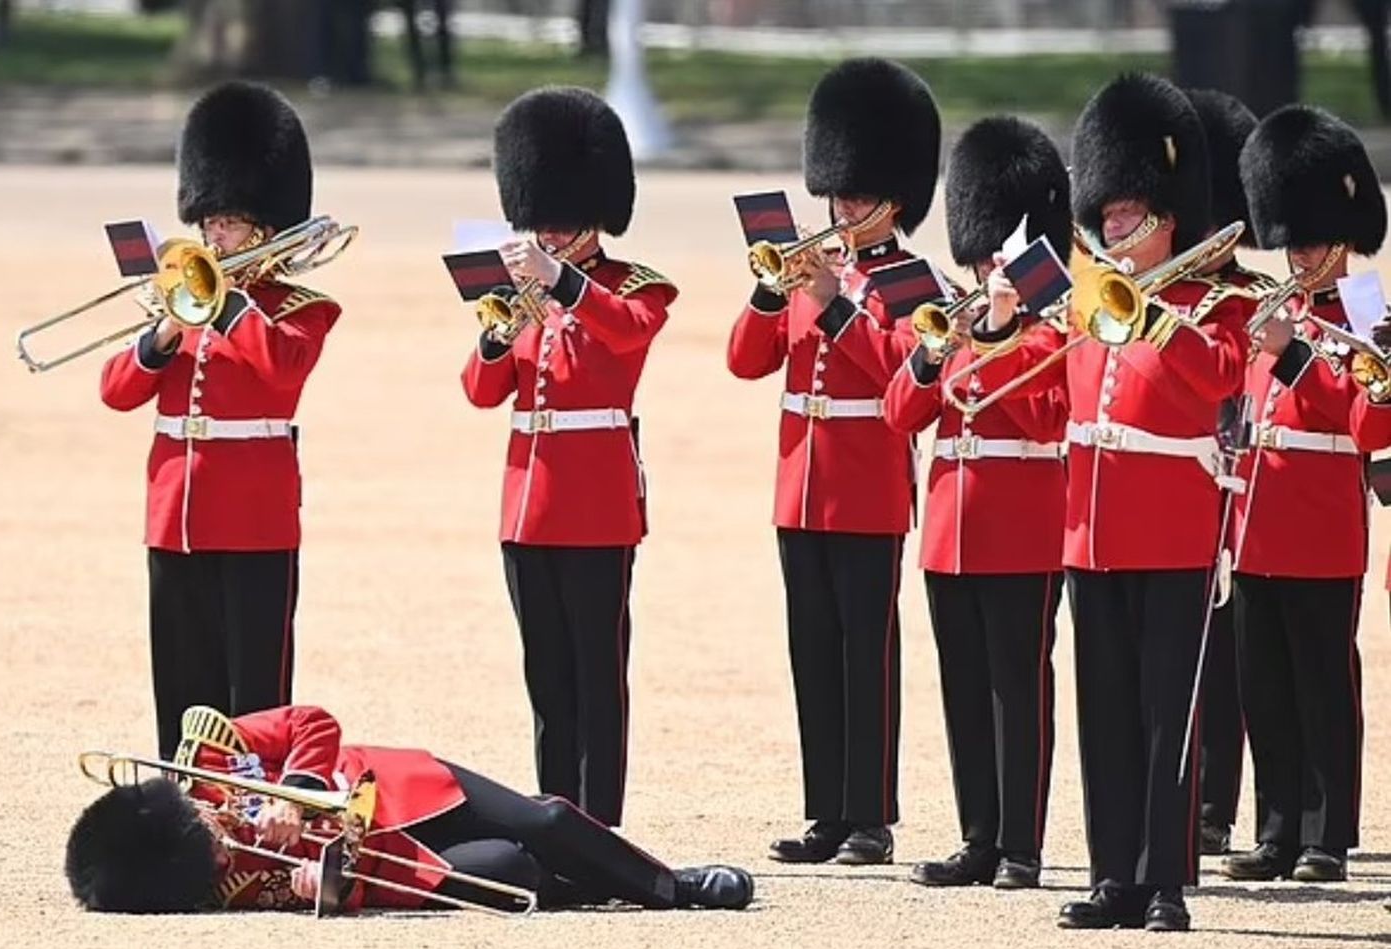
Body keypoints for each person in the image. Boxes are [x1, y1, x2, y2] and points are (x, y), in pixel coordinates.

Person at [971, 73, 1253, 931]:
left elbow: (1216, 380)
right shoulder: (1091, 305)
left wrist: (1157, 318)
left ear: (1166, 215)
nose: (1111, 226)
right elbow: (1040, 403)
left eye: (1128, 213)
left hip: (1171, 529)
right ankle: (1113, 877)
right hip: (1091, 532)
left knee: (1170, 717)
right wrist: (996, 329)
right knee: (1109, 715)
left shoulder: (1221, 302)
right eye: (1110, 212)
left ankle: (1165, 880)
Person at [727, 57, 941, 866]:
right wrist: (772, 294)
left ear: (894, 198)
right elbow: (745, 361)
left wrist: (835, 303)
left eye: (857, 195)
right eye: (837, 193)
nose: (843, 207)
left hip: (867, 485)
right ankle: (825, 810)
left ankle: (870, 815)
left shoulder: (914, 280)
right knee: (811, 648)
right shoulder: (807, 270)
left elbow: (900, 369)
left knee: (865, 653)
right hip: (800, 484)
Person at [99, 82, 341, 759]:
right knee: (180, 686)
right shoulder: (182, 301)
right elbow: (115, 391)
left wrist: (228, 304)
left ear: (264, 228)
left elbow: (282, 370)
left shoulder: (299, 307)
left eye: (228, 223)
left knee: (254, 698)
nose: (213, 235)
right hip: (174, 515)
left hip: (255, 520)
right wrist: (159, 340)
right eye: (209, 223)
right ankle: (185, 819)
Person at [460, 86, 676, 828]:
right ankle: (554, 813)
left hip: (596, 502)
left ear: (593, 218)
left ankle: (599, 821)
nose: (546, 232)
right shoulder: (525, 291)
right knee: (546, 673)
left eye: (559, 221)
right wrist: (494, 337)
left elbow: (621, 334)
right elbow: (481, 391)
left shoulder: (633, 288)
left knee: (596, 673)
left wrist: (561, 282)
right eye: (539, 219)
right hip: (527, 504)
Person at [65, 705, 752, 913]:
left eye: (203, 833)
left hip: (405, 784)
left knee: (545, 820)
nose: (220, 846)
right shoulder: (224, 883)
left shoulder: (208, 754)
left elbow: (310, 721)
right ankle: (599, 884)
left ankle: (672, 886)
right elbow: (332, 890)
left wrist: (297, 797)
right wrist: (328, 889)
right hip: (398, 862)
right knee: (517, 873)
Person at [888, 116, 1068, 890]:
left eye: (1004, 243)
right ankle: (979, 837)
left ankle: (1022, 844)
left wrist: (995, 334)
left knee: (1017, 687)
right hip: (951, 531)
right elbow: (902, 412)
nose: (993, 258)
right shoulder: (954, 319)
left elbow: (1047, 414)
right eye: (985, 243)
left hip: (1020, 531)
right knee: (964, 685)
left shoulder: (1052, 329)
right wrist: (933, 353)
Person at [1221, 103, 1384, 885]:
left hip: (1321, 522)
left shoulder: (1369, 310)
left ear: (1345, 233)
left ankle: (1327, 834)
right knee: (1266, 687)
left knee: (1323, 683)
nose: (1304, 251)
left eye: (1315, 237)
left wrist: (1291, 362)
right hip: (1257, 521)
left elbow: (1366, 420)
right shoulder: (1272, 306)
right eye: (1293, 238)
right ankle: (1277, 827)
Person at [1184, 87, 1274, 858]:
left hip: (1253, 489)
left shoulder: (1248, 296)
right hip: (1186, 483)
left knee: (1245, 658)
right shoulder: (1169, 295)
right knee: (1196, 651)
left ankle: (1230, 801)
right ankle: (1198, 800)